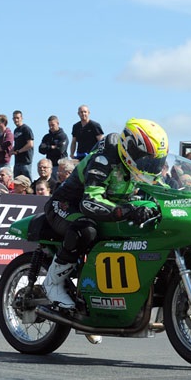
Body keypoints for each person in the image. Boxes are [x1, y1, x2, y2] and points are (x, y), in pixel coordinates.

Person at [43, 118, 168, 310]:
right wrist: (126, 210)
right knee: (86, 230)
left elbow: (163, 189)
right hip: (67, 205)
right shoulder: (104, 158)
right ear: (130, 148)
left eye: (156, 161)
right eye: (146, 160)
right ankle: (52, 282)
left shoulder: (141, 167)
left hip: (105, 206)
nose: (150, 166)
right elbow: (89, 201)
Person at [38, 115, 69, 180]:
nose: (51, 127)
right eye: (49, 125)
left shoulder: (63, 136)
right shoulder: (47, 137)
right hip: (50, 166)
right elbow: (41, 150)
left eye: (53, 125)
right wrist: (51, 147)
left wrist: (47, 148)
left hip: (60, 166)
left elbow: (60, 150)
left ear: (58, 123)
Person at [10, 110, 34, 180]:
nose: (16, 120)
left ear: (21, 118)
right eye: (14, 118)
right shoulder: (16, 130)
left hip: (25, 161)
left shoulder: (26, 129)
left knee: (27, 182)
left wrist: (18, 151)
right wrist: (12, 150)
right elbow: (17, 144)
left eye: (17, 118)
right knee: (17, 181)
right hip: (17, 161)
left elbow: (30, 144)